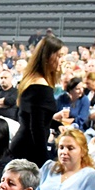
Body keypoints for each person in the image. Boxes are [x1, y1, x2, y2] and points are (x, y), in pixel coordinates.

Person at [11, 34, 62, 166]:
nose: (61, 61)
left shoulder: (30, 80)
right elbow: (37, 127)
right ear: (47, 57)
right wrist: (45, 161)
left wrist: (57, 125)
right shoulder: (41, 87)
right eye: (59, 56)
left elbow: (32, 118)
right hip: (30, 151)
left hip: (23, 145)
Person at [31, 127, 95, 190]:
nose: (64, 152)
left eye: (70, 148)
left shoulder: (92, 176)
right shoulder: (49, 167)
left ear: (83, 152)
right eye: (61, 147)